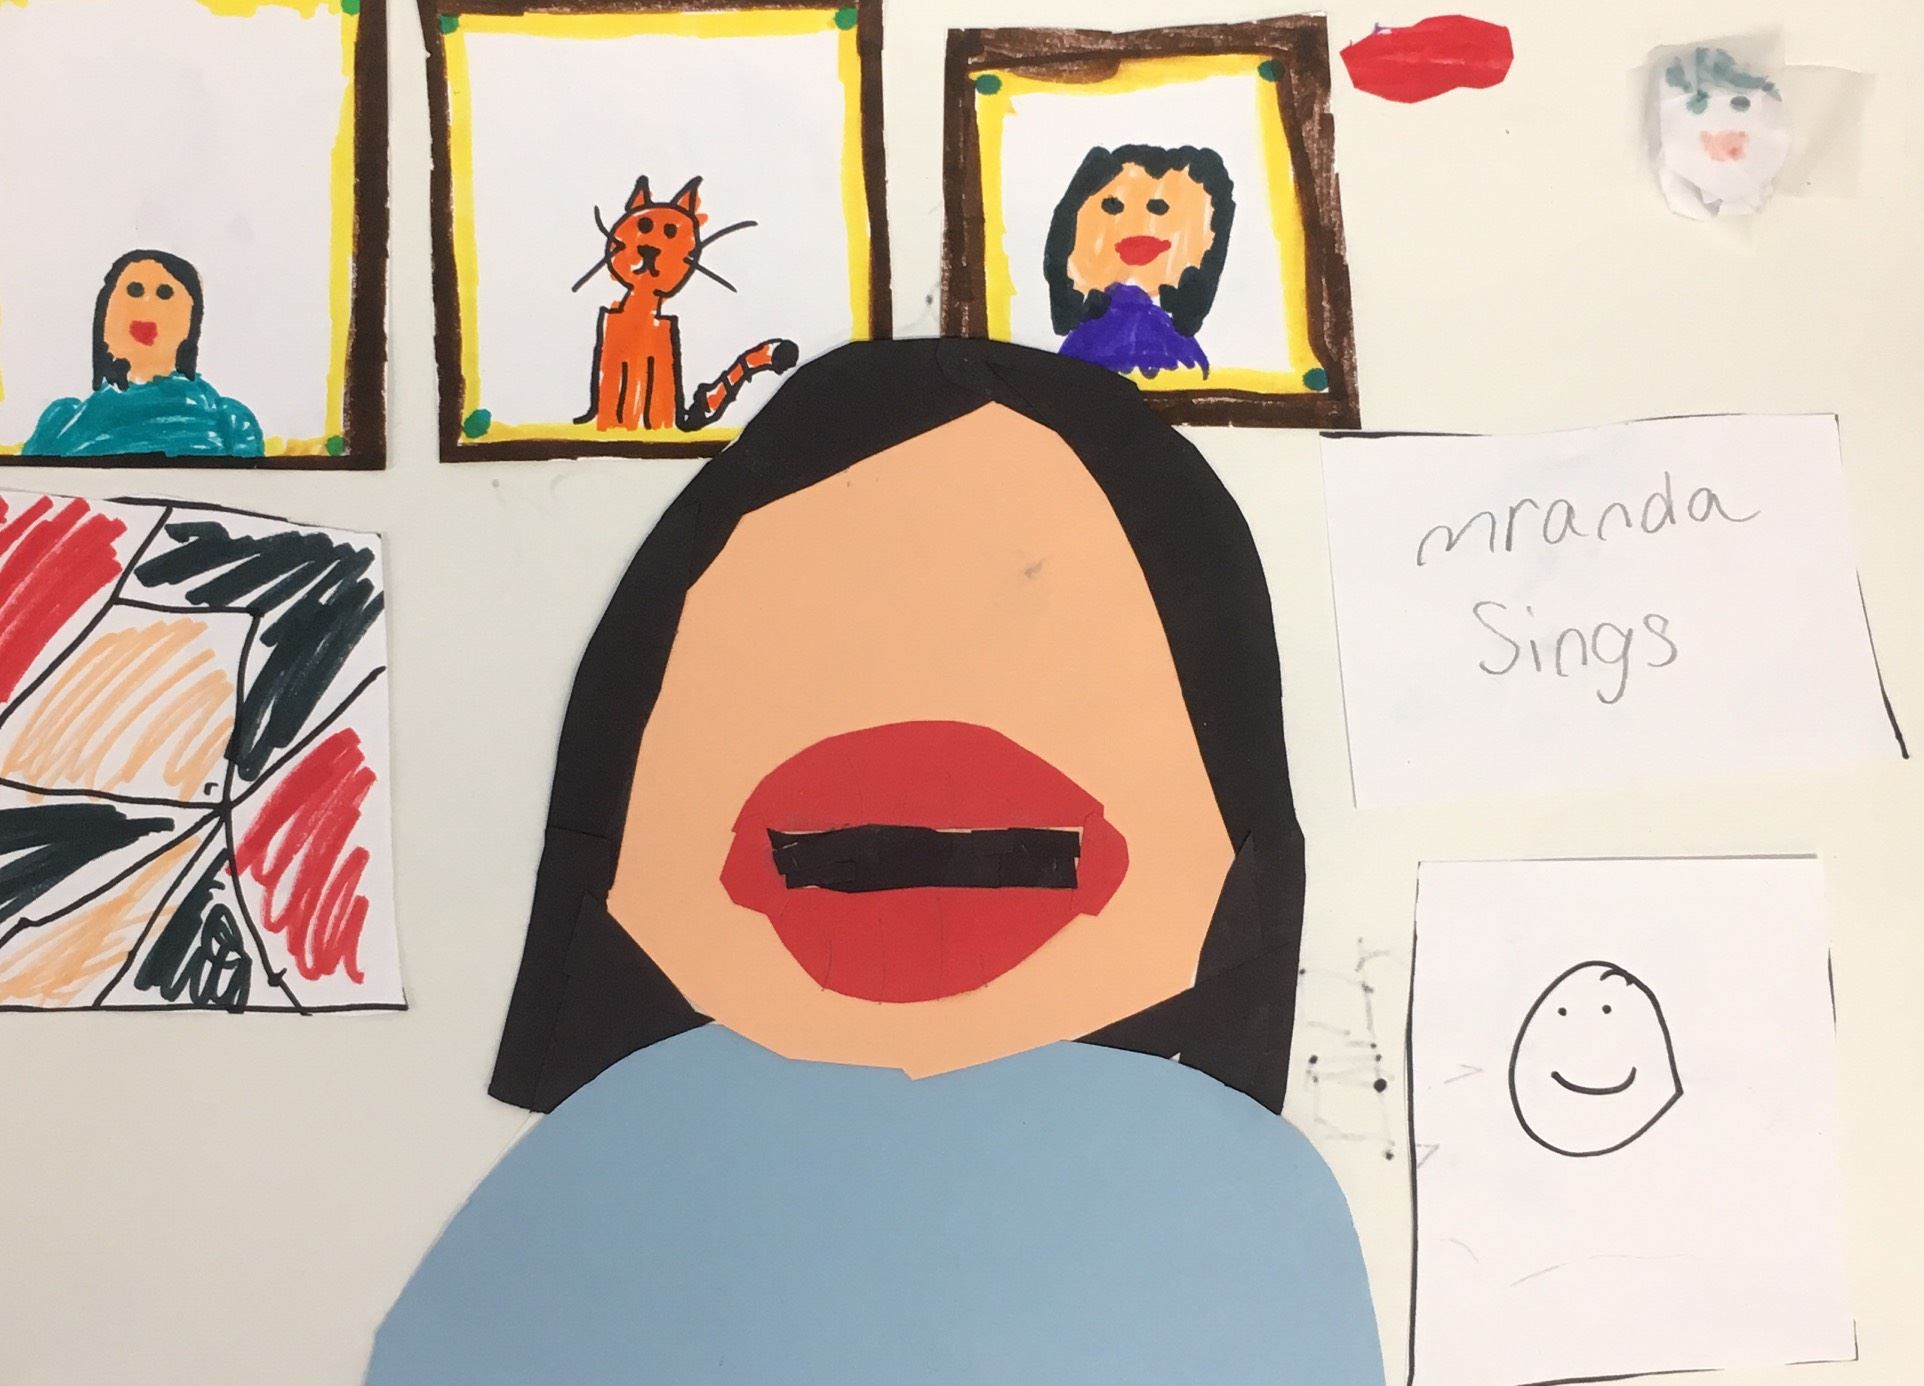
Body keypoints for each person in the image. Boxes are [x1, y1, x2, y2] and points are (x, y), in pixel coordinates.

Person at [369, 340, 1382, 1385]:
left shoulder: (1229, 1203)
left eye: (1027, 623)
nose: (919, 737)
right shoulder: (606, 1172)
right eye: (808, 650)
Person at [22, 249, 262, 459]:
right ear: (104, 316)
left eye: (165, 293)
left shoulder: (229, 424)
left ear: (191, 322)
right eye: (134, 290)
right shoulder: (60, 423)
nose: (147, 304)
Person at [1045, 144, 1235, 378]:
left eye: (1159, 208)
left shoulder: (1172, 341)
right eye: (1113, 206)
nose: (1137, 225)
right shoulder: (1091, 341)